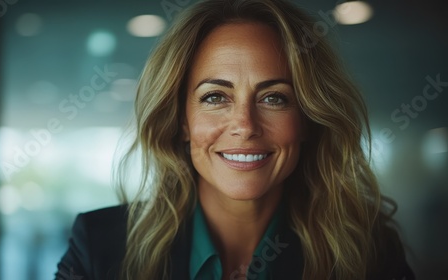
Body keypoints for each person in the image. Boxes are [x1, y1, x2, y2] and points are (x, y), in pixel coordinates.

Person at [56, 0, 416, 279]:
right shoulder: (99, 246)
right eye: (215, 97)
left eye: (274, 98)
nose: (244, 126)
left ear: (307, 120)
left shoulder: (370, 251)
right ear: (183, 121)